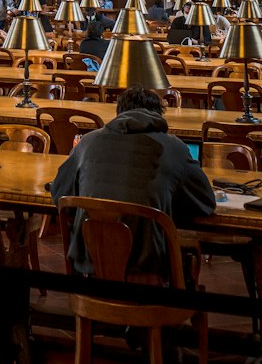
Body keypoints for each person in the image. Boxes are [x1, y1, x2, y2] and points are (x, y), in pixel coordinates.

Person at [52, 85, 216, 275]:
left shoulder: (88, 142)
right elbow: (205, 203)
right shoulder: (175, 147)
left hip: (90, 264)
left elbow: (59, 193)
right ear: (159, 116)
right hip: (148, 270)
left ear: (119, 113)